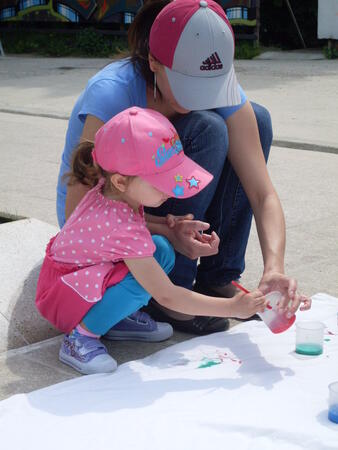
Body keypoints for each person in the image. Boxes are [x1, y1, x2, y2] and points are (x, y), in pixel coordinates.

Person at [56, 0, 311, 336]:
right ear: (154, 63)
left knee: (256, 119)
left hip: (157, 220)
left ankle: (217, 279)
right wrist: (165, 231)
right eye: (190, 85)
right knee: (209, 127)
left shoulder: (216, 82)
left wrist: (273, 267)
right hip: (104, 231)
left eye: (209, 87)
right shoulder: (112, 94)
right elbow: (80, 214)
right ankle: (169, 293)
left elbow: (262, 193)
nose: (199, 98)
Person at [36, 107, 275, 375]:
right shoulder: (122, 227)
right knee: (145, 279)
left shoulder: (113, 192)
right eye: (160, 182)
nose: (170, 189)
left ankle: (115, 319)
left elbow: (137, 235)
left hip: (70, 281)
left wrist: (170, 228)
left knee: (161, 251)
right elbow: (167, 295)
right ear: (121, 181)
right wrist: (232, 308)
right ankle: (81, 338)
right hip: (64, 296)